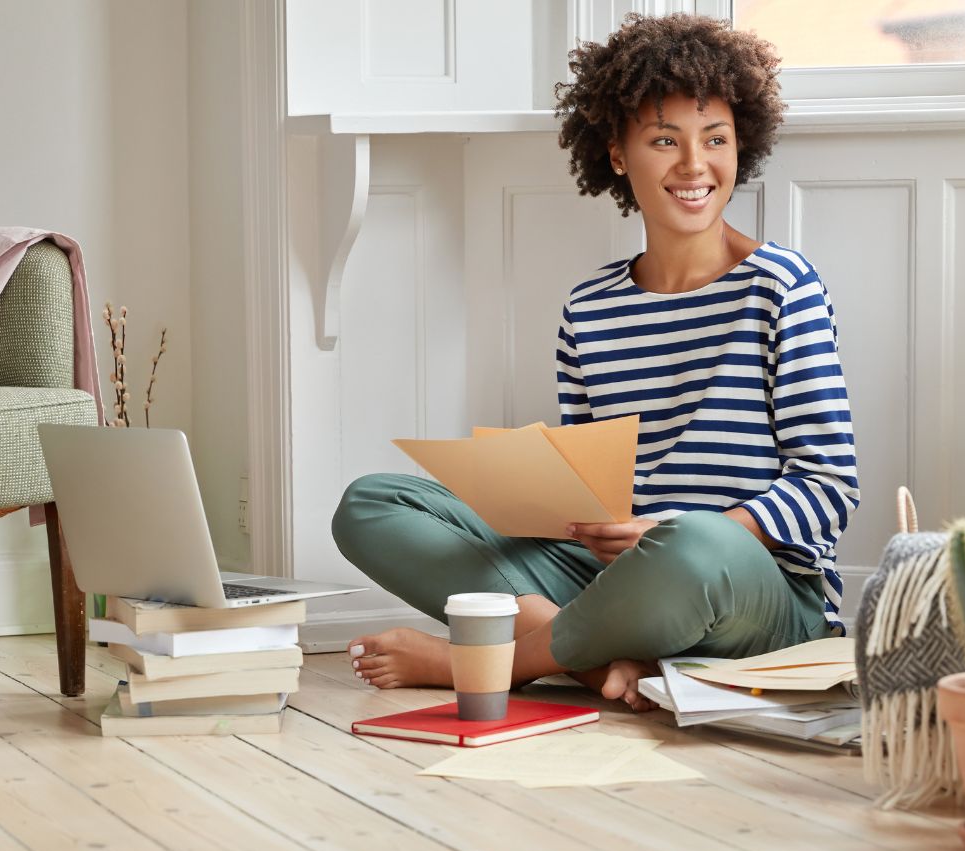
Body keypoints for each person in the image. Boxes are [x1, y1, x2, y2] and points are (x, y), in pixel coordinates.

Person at [330, 13, 858, 711]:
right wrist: (557, 509)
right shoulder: (590, 308)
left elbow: (829, 488)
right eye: (664, 140)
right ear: (617, 154)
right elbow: (587, 491)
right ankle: (594, 663)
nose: (694, 166)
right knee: (372, 504)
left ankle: (489, 663)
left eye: (716, 140)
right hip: (613, 583)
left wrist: (671, 532)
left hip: (747, 590)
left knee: (692, 543)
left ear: (742, 147)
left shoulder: (782, 287)